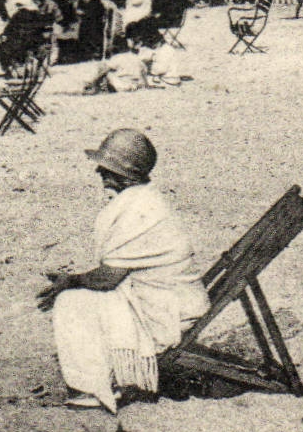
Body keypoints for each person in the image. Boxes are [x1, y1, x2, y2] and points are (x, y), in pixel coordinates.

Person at [36, 130, 207, 413]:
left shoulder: (141, 209)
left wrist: (72, 281)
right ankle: (102, 379)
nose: (100, 172)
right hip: (171, 300)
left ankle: (95, 389)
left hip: (169, 313)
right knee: (81, 296)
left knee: (72, 301)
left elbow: (107, 279)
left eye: (106, 168)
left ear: (122, 173)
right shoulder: (144, 200)